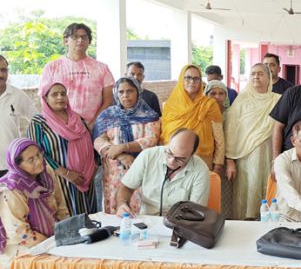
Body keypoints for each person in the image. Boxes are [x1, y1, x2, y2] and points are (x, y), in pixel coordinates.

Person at [93, 77, 161, 214]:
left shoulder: (149, 116)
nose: (125, 95)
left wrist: (123, 147)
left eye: (130, 91)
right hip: (114, 173)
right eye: (121, 92)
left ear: (138, 92)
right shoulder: (107, 115)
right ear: (116, 94)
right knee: (115, 208)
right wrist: (122, 155)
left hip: (141, 168)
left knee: (140, 209)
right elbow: (99, 140)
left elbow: (151, 140)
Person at [27, 82, 97, 215]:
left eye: (63, 94)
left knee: (90, 220)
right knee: (69, 221)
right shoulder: (38, 122)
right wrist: (65, 173)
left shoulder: (77, 118)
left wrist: (94, 165)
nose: (60, 97)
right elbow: (35, 153)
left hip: (86, 178)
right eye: (54, 94)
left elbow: (91, 141)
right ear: (45, 98)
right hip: (59, 181)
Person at [223, 63, 281, 220]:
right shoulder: (242, 100)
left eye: (261, 73)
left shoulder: (277, 100)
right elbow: (230, 129)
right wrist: (229, 160)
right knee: (248, 192)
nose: (256, 76)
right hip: (245, 158)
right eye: (253, 73)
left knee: (268, 191)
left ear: (269, 79)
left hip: (270, 155)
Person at [0, 138, 69, 267]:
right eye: (31, 160)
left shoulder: (46, 174)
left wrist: (66, 233)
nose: (38, 161)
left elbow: (61, 208)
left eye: (39, 154)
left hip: (52, 239)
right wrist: (53, 243)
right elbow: (19, 233)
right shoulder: (12, 189)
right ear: (17, 165)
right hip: (22, 249)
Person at [115, 129, 210, 216]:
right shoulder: (148, 156)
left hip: (181, 225)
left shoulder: (201, 170)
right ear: (169, 143)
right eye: (169, 153)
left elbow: (195, 211)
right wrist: (122, 205)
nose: (171, 161)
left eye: (180, 158)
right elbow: (126, 187)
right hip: (148, 221)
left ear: (192, 154)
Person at [39, 23, 114, 129]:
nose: (80, 40)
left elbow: (108, 101)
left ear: (89, 41)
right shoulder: (52, 67)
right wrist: (58, 124)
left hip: (94, 128)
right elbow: (43, 98)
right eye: (75, 37)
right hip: (60, 128)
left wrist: (93, 125)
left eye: (84, 37)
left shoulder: (102, 68)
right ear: (66, 41)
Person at [161, 64, 224, 175]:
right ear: (181, 79)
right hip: (174, 162)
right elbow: (164, 135)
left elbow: (219, 139)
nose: (192, 81)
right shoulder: (169, 106)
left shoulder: (209, 105)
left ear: (201, 81)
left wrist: (218, 166)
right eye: (188, 77)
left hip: (202, 163)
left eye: (196, 78)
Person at [0, 55, 38, 177]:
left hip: (11, 165)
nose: (1, 74)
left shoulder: (17, 95)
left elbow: (37, 120)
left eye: (3, 70)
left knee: (14, 197)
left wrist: (30, 148)